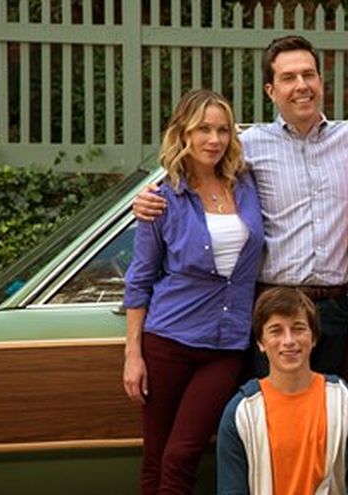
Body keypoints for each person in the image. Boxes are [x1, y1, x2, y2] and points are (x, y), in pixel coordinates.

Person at [133, 35, 348, 376]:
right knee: (265, 406)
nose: (301, 85)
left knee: (327, 405)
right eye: (288, 77)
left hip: (334, 308)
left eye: (308, 74)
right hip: (270, 305)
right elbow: (193, 170)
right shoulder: (247, 146)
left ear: (320, 80)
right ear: (271, 90)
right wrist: (149, 196)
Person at [122, 89, 264, 494]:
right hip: (168, 341)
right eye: (203, 129)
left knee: (182, 454)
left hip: (226, 345)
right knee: (157, 455)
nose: (214, 140)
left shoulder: (246, 184)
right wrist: (133, 354)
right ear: (183, 133)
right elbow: (139, 278)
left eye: (222, 130)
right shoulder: (161, 199)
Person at [216, 287, 348, 494]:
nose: (289, 341)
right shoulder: (241, 412)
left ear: (314, 338)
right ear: (260, 343)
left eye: (298, 329)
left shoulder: (344, 401)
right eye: (276, 331)